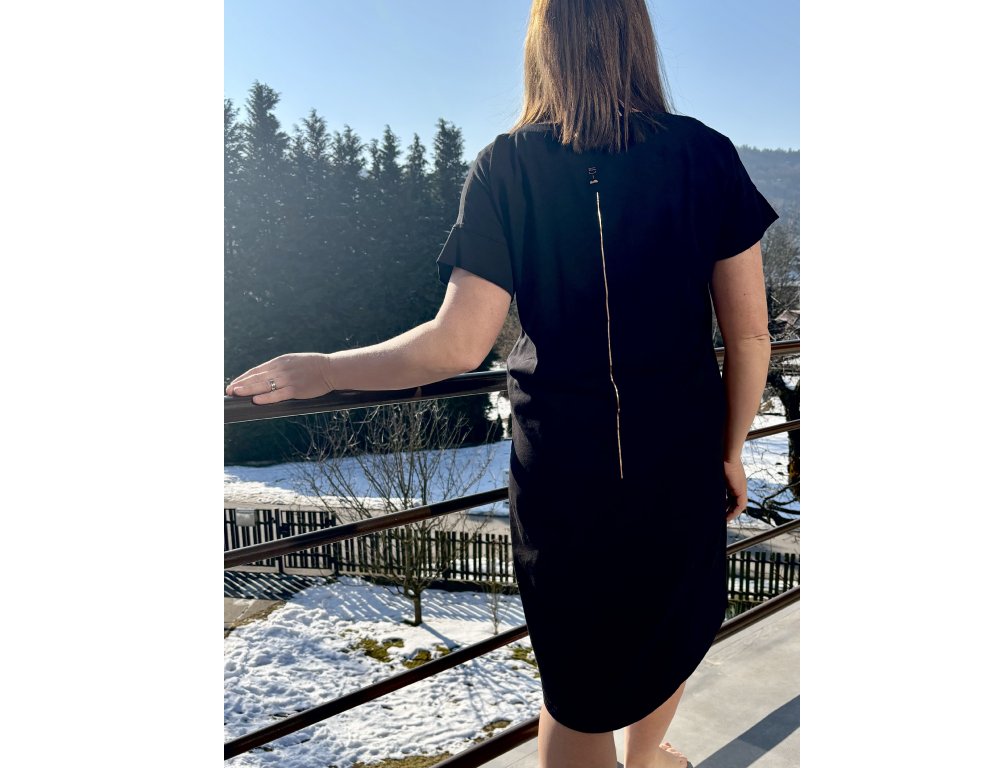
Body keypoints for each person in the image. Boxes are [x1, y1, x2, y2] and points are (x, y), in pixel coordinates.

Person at [226, 1, 777, 766]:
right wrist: (731, 451)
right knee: (669, 626)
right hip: (678, 458)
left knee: (577, 685)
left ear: (542, 46)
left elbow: (454, 346)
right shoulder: (705, 154)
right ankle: (648, 759)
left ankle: (640, 758)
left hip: (563, 473)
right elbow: (750, 336)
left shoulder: (507, 166)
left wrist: (323, 369)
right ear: (638, 39)